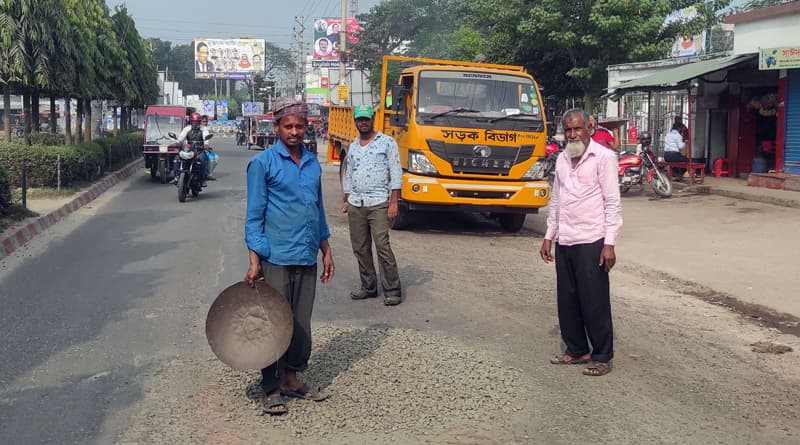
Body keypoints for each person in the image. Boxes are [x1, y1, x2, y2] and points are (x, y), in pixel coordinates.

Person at [244, 99, 335, 416]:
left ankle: (292, 379)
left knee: (300, 323)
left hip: (306, 254)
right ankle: (270, 386)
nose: (295, 131)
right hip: (277, 256)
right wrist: (255, 259)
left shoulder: (312, 163)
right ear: (277, 127)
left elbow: (318, 209)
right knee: (274, 323)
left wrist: (326, 249)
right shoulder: (263, 164)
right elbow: (254, 216)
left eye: (299, 126)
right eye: (288, 126)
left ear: (307, 127)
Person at [539, 108, 622, 378]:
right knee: (568, 298)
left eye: (578, 128)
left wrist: (609, 243)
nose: (573, 134)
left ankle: (601, 355)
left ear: (589, 128)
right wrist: (549, 235)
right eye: (568, 130)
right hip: (566, 237)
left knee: (594, 299)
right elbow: (557, 199)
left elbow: (612, 202)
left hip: (592, 239)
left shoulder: (604, 157)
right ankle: (576, 349)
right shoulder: (562, 159)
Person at [340, 105, 403, 306]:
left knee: (382, 245)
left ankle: (392, 289)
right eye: (359, 119)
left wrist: (394, 201)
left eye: (366, 119)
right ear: (355, 121)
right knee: (360, 247)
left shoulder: (387, 143)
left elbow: (396, 172)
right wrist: (346, 198)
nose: (363, 122)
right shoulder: (353, 146)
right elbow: (349, 173)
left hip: (378, 203)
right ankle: (368, 287)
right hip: (356, 203)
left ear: (373, 119)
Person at [172, 112, 209, 185]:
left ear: (199, 122)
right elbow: (181, 137)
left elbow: (206, 137)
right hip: (188, 150)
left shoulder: (203, 129)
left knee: (203, 159)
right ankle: (176, 177)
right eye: (193, 122)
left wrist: (206, 144)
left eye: (197, 122)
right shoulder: (187, 128)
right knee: (177, 158)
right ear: (191, 121)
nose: (195, 123)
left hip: (199, 150)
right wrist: (177, 142)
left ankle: (202, 179)